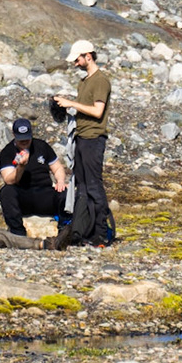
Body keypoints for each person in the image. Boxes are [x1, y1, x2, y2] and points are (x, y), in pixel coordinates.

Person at [54, 39, 115, 246]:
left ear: (88, 56)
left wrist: (72, 103)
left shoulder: (100, 81)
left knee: (94, 187)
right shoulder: (85, 81)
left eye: (77, 59)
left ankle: (100, 235)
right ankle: (83, 231)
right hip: (81, 138)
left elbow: (98, 111)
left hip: (93, 139)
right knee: (82, 187)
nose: (75, 63)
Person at [0, 117, 69, 235]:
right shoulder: (7, 152)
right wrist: (21, 167)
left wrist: (60, 181)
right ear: (14, 135)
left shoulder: (41, 146)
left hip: (44, 193)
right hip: (23, 196)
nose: (24, 142)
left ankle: (64, 229)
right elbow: (9, 180)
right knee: (6, 192)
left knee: (65, 192)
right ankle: (18, 232)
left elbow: (57, 167)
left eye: (27, 139)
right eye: (21, 140)